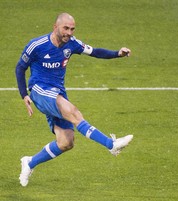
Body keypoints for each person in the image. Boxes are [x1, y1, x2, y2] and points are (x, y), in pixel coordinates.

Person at [15, 13, 133, 187]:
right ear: (55, 26)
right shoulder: (37, 45)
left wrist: (117, 54)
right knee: (74, 112)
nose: (69, 32)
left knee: (66, 142)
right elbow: (20, 68)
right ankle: (111, 144)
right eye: (66, 28)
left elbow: (95, 52)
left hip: (58, 93)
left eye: (72, 29)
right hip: (40, 91)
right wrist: (24, 94)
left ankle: (29, 162)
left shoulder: (72, 44)